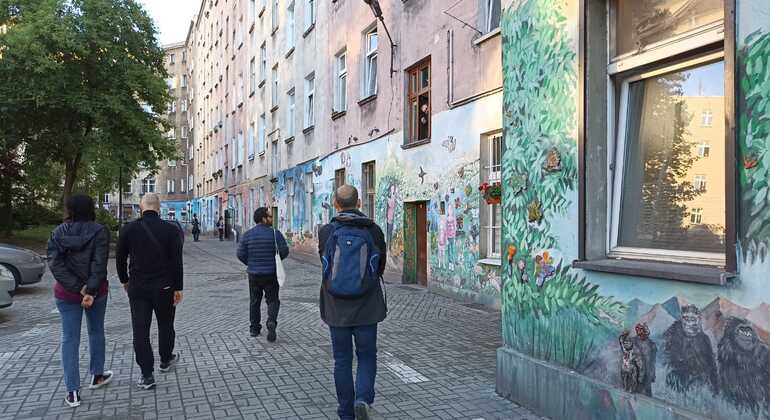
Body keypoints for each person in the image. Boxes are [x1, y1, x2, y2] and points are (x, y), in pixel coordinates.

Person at [318, 185, 387, 420]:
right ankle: (362, 399)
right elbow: (380, 268)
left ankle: (345, 412)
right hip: (367, 305)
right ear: (359, 203)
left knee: (342, 360)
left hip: (336, 306)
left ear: (336, 204)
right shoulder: (374, 230)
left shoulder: (326, 231)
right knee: (367, 356)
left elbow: (325, 266)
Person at [47, 194, 114, 408]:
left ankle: (73, 391)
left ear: (70, 209)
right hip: (96, 293)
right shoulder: (100, 231)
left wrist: (78, 288)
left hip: (67, 294)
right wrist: (89, 290)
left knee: (69, 338)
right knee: (96, 332)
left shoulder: (57, 233)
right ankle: (97, 376)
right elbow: (99, 264)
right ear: (91, 208)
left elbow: (55, 265)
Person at [116, 193, 183, 391]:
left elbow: (120, 259)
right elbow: (177, 263)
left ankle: (147, 375)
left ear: (140, 207)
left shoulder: (128, 229)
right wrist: (178, 287)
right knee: (165, 324)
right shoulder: (171, 231)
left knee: (140, 330)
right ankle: (165, 360)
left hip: (138, 287)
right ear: (159, 208)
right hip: (164, 287)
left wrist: (125, 281)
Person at [237, 207, 289, 342]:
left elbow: (240, 254)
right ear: (264, 219)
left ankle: (254, 328)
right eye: (270, 217)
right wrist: (276, 260)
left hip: (254, 274)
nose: (272, 219)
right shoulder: (275, 234)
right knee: (273, 300)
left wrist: (250, 263)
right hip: (271, 273)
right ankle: (271, 321)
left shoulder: (247, 234)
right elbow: (285, 251)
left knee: (254, 301)